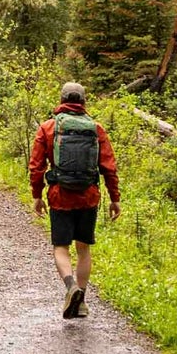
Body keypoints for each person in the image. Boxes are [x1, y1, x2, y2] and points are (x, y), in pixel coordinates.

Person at [29, 81, 121, 319]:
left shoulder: (48, 128)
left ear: (61, 101)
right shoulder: (96, 129)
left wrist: (37, 196)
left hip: (60, 196)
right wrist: (114, 198)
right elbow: (109, 167)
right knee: (83, 248)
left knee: (61, 247)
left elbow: (36, 167)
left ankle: (71, 287)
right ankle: (81, 301)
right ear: (83, 102)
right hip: (89, 197)